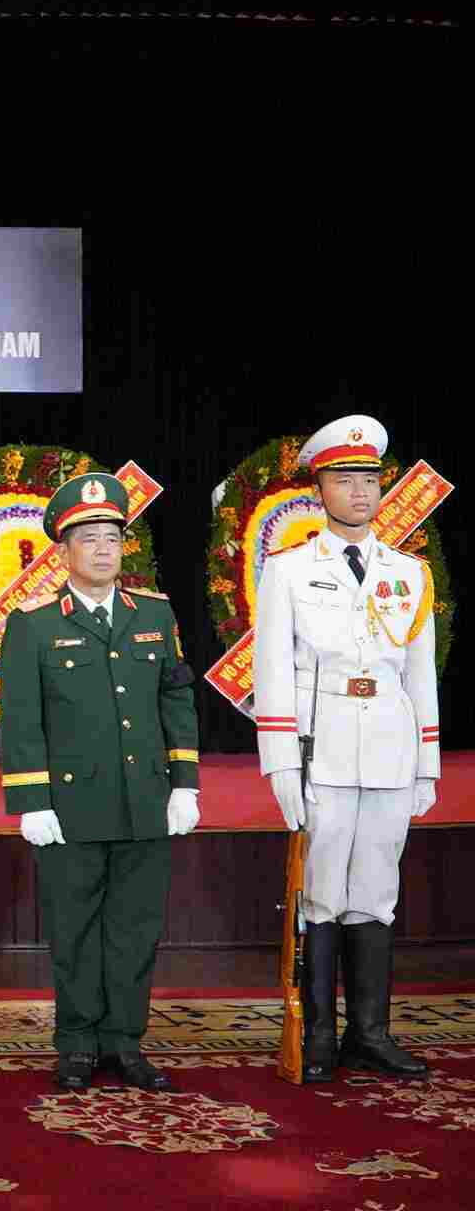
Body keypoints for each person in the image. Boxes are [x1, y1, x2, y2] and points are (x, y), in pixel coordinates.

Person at [0, 470, 201, 1093]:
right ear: (63, 551)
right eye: (89, 538)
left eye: (112, 535)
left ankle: (126, 1044)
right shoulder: (32, 624)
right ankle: (78, 1045)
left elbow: (176, 699)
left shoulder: (156, 613)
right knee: (76, 929)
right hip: (71, 805)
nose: (104, 548)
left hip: (145, 801)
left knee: (137, 927)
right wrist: (31, 800)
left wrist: (185, 784)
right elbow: (23, 718)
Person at [254, 415, 437, 1083]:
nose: (360, 492)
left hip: (390, 745)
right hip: (320, 749)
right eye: (345, 479)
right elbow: (273, 668)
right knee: (322, 892)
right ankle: (321, 1037)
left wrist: (427, 761)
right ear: (321, 488)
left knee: (376, 891)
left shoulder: (409, 573)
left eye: (369, 479)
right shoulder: (291, 570)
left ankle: (371, 1032)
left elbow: (421, 673)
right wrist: (279, 763)